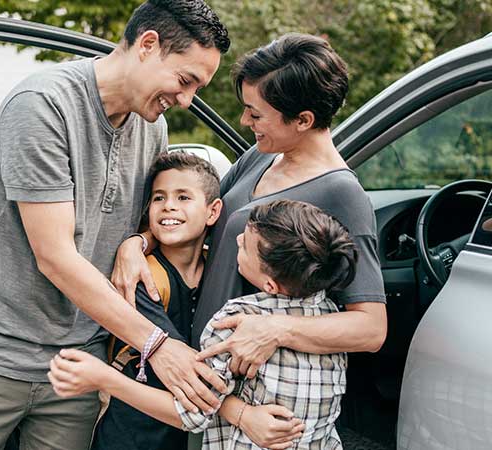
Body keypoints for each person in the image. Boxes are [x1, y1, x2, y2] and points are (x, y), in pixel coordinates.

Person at [0, 1, 231, 449]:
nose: (184, 101)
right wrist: (158, 346)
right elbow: (56, 258)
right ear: (148, 45)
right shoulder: (42, 106)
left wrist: (135, 242)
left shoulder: (152, 128)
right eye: (185, 81)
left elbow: (142, 220)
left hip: (76, 363)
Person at [111, 33, 388, 448]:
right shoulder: (261, 155)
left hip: (254, 398)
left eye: (256, 114)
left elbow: (370, 327)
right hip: (194, 370)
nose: (245, 122)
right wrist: (138, 243)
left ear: (304, 120)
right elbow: (199, 218)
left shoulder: (342, 195)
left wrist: (274, 328)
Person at [50, 199, 358, 449]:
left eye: (246, 245)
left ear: (269, 284)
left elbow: (190, 415)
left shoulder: (236, 321)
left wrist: (104, 378)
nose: (237, 238)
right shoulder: (331, 315)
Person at [92, 151, 223, 450]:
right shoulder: (141, 276)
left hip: (179, 435)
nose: (169, 206)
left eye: (183, 197)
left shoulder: (217, 273)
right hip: (129, 435)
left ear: (212, 211)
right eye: (159, 198)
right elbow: (187, 374)